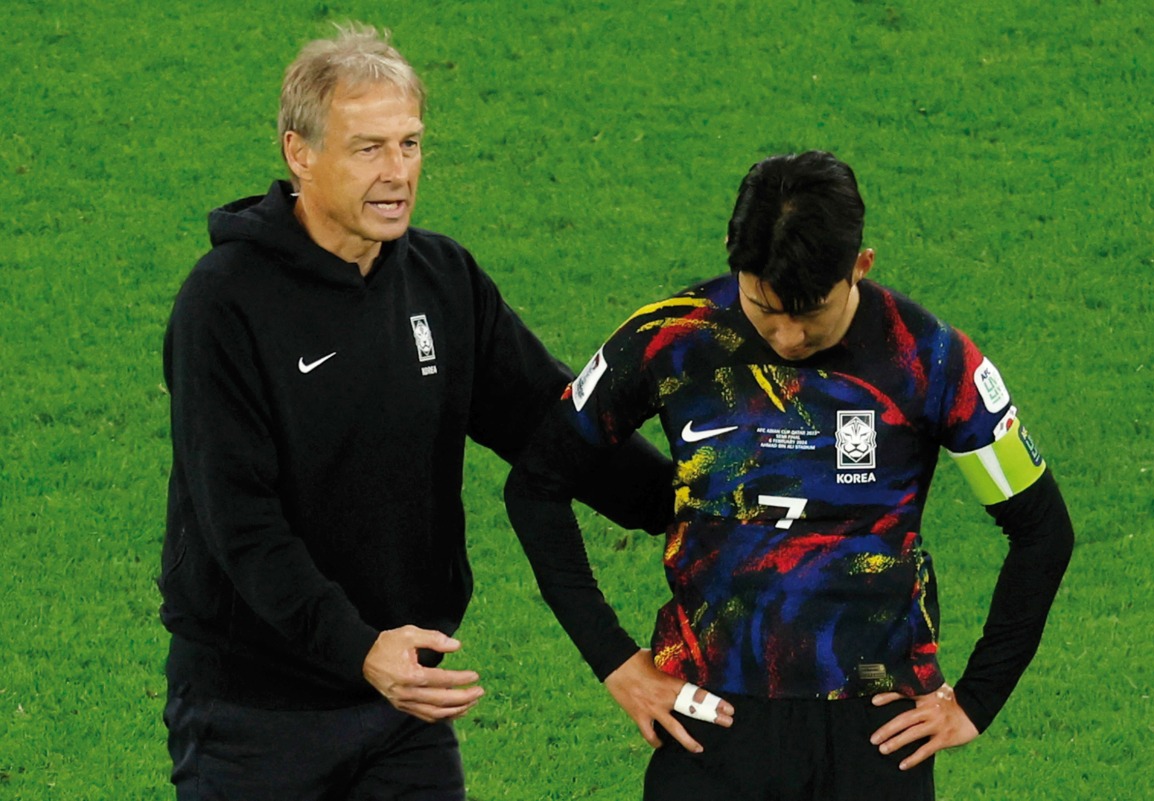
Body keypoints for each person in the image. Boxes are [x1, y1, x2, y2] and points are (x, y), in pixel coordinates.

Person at [159, 23, 672, 801]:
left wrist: (695, 504)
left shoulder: (442, 281)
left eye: (410, 143)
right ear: (300, 154)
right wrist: (359, 647)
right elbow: (241, 523)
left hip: (404, 705)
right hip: (255, 715)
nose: (398, 172)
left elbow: (550, 423)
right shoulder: (225, 303)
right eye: (369, 148)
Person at [504, 150, 1074, 800]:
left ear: (860, 265)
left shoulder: (930, 358)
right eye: (764, 307)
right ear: (733, 257)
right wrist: (614, 661)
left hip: (874, 737)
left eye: (810, 311)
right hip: (710, 730)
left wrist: (975, 699)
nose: (787, 335)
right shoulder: (672, 337)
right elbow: (537, 484)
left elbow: (1041, 530)